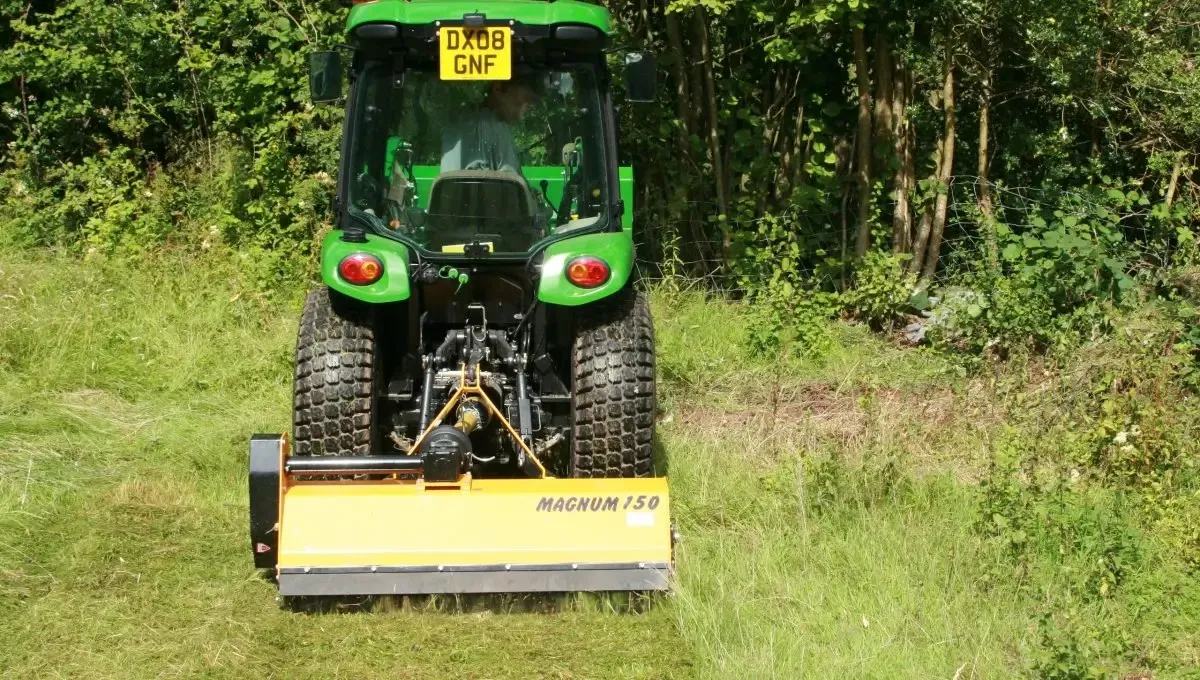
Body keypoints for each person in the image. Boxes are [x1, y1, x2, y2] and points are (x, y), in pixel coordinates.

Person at [440, 75, 542, 175]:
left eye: (527, 106)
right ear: (498, 89)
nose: (520, 114)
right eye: (519, 103)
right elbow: (510, 185)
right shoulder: (496, 126)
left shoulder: (456, 123)